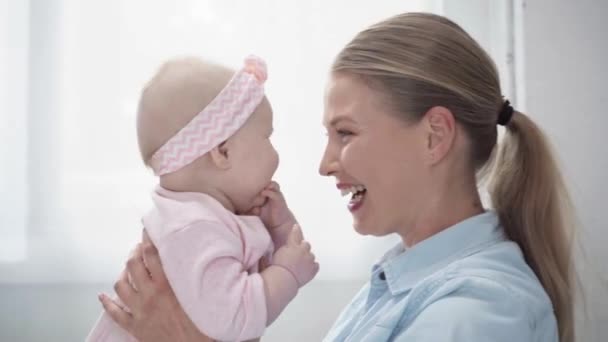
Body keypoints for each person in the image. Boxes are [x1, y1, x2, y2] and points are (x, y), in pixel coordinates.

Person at [98, 12, 576, 342]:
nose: (324, 163)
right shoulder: (398, 286)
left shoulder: (478, 312)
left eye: (345, 133)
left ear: (434, 137)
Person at [88, 55, 319, 342]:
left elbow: (257, 276)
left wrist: (280, 228)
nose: (275, 155)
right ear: (222, 152)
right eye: (267, 137)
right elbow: (234, 318)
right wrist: (287, 275)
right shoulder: (193, 228)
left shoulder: (203, 217)